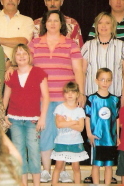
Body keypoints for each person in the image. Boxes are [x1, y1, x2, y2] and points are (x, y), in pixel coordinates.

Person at [26, 10, 84, 183]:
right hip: (42, 99)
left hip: (65, 99)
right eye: (49, 20)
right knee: (45, 134)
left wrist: (81, 92)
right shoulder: (34, 44)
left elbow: (78, 70)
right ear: (44, 23)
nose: (52, 23)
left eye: (56, 21)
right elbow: (25, 67)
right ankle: (46, 170)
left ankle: (63, 169)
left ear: (61, 24)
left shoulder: (71, 44)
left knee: (63, 133)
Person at [3, 44, 48, 186]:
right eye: (18, 54)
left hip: (33, 121)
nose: (21, 56)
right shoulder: (10, 75)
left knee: (34, 152)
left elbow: (46, 97)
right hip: (14, 120)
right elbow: (5, 98)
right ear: (14, 58)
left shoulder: (38, 72)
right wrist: (3, 116)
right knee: (18, 153)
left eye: (24, 53)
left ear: (30, 56)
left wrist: (42, 118)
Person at [82, 12, 124, 107]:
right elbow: (82, 72)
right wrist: (81, 94)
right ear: (96, 26)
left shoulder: (122, 46)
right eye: (100, 23)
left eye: (107, 23)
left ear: (113, 26)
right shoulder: (88, 46)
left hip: (114, 97)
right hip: (92, 97)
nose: (103, 26)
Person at [85, 68, 120, 184]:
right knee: (96, 164)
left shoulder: (114, 100)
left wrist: (118, 137)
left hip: (110, 139)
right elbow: (87, 117)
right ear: (96, 81)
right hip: (97, 139)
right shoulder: (91, 99)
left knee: (109, 165)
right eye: (102, 80)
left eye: (108, 80)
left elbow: (117, 119)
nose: (105, 83)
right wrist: (89, 134)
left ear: (111, 81)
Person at [51, 82, 89, 185]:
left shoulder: (80, 110)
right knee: (58, 166)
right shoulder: (60, 108)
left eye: (73, 92)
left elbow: (80, 128)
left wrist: (66, 123)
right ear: (64, 94)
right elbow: (59, 124)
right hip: (61, 142)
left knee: (76, 167)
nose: (70, 94)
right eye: (67, 92)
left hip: (75, 143)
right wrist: (73, 122)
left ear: (77, 94)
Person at [0, 0, 34, 69]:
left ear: (18, 1)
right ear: (1, 1)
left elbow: (23, 42)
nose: (10, 0)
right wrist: (5, 59)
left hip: (18, 68)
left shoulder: (27, 20)